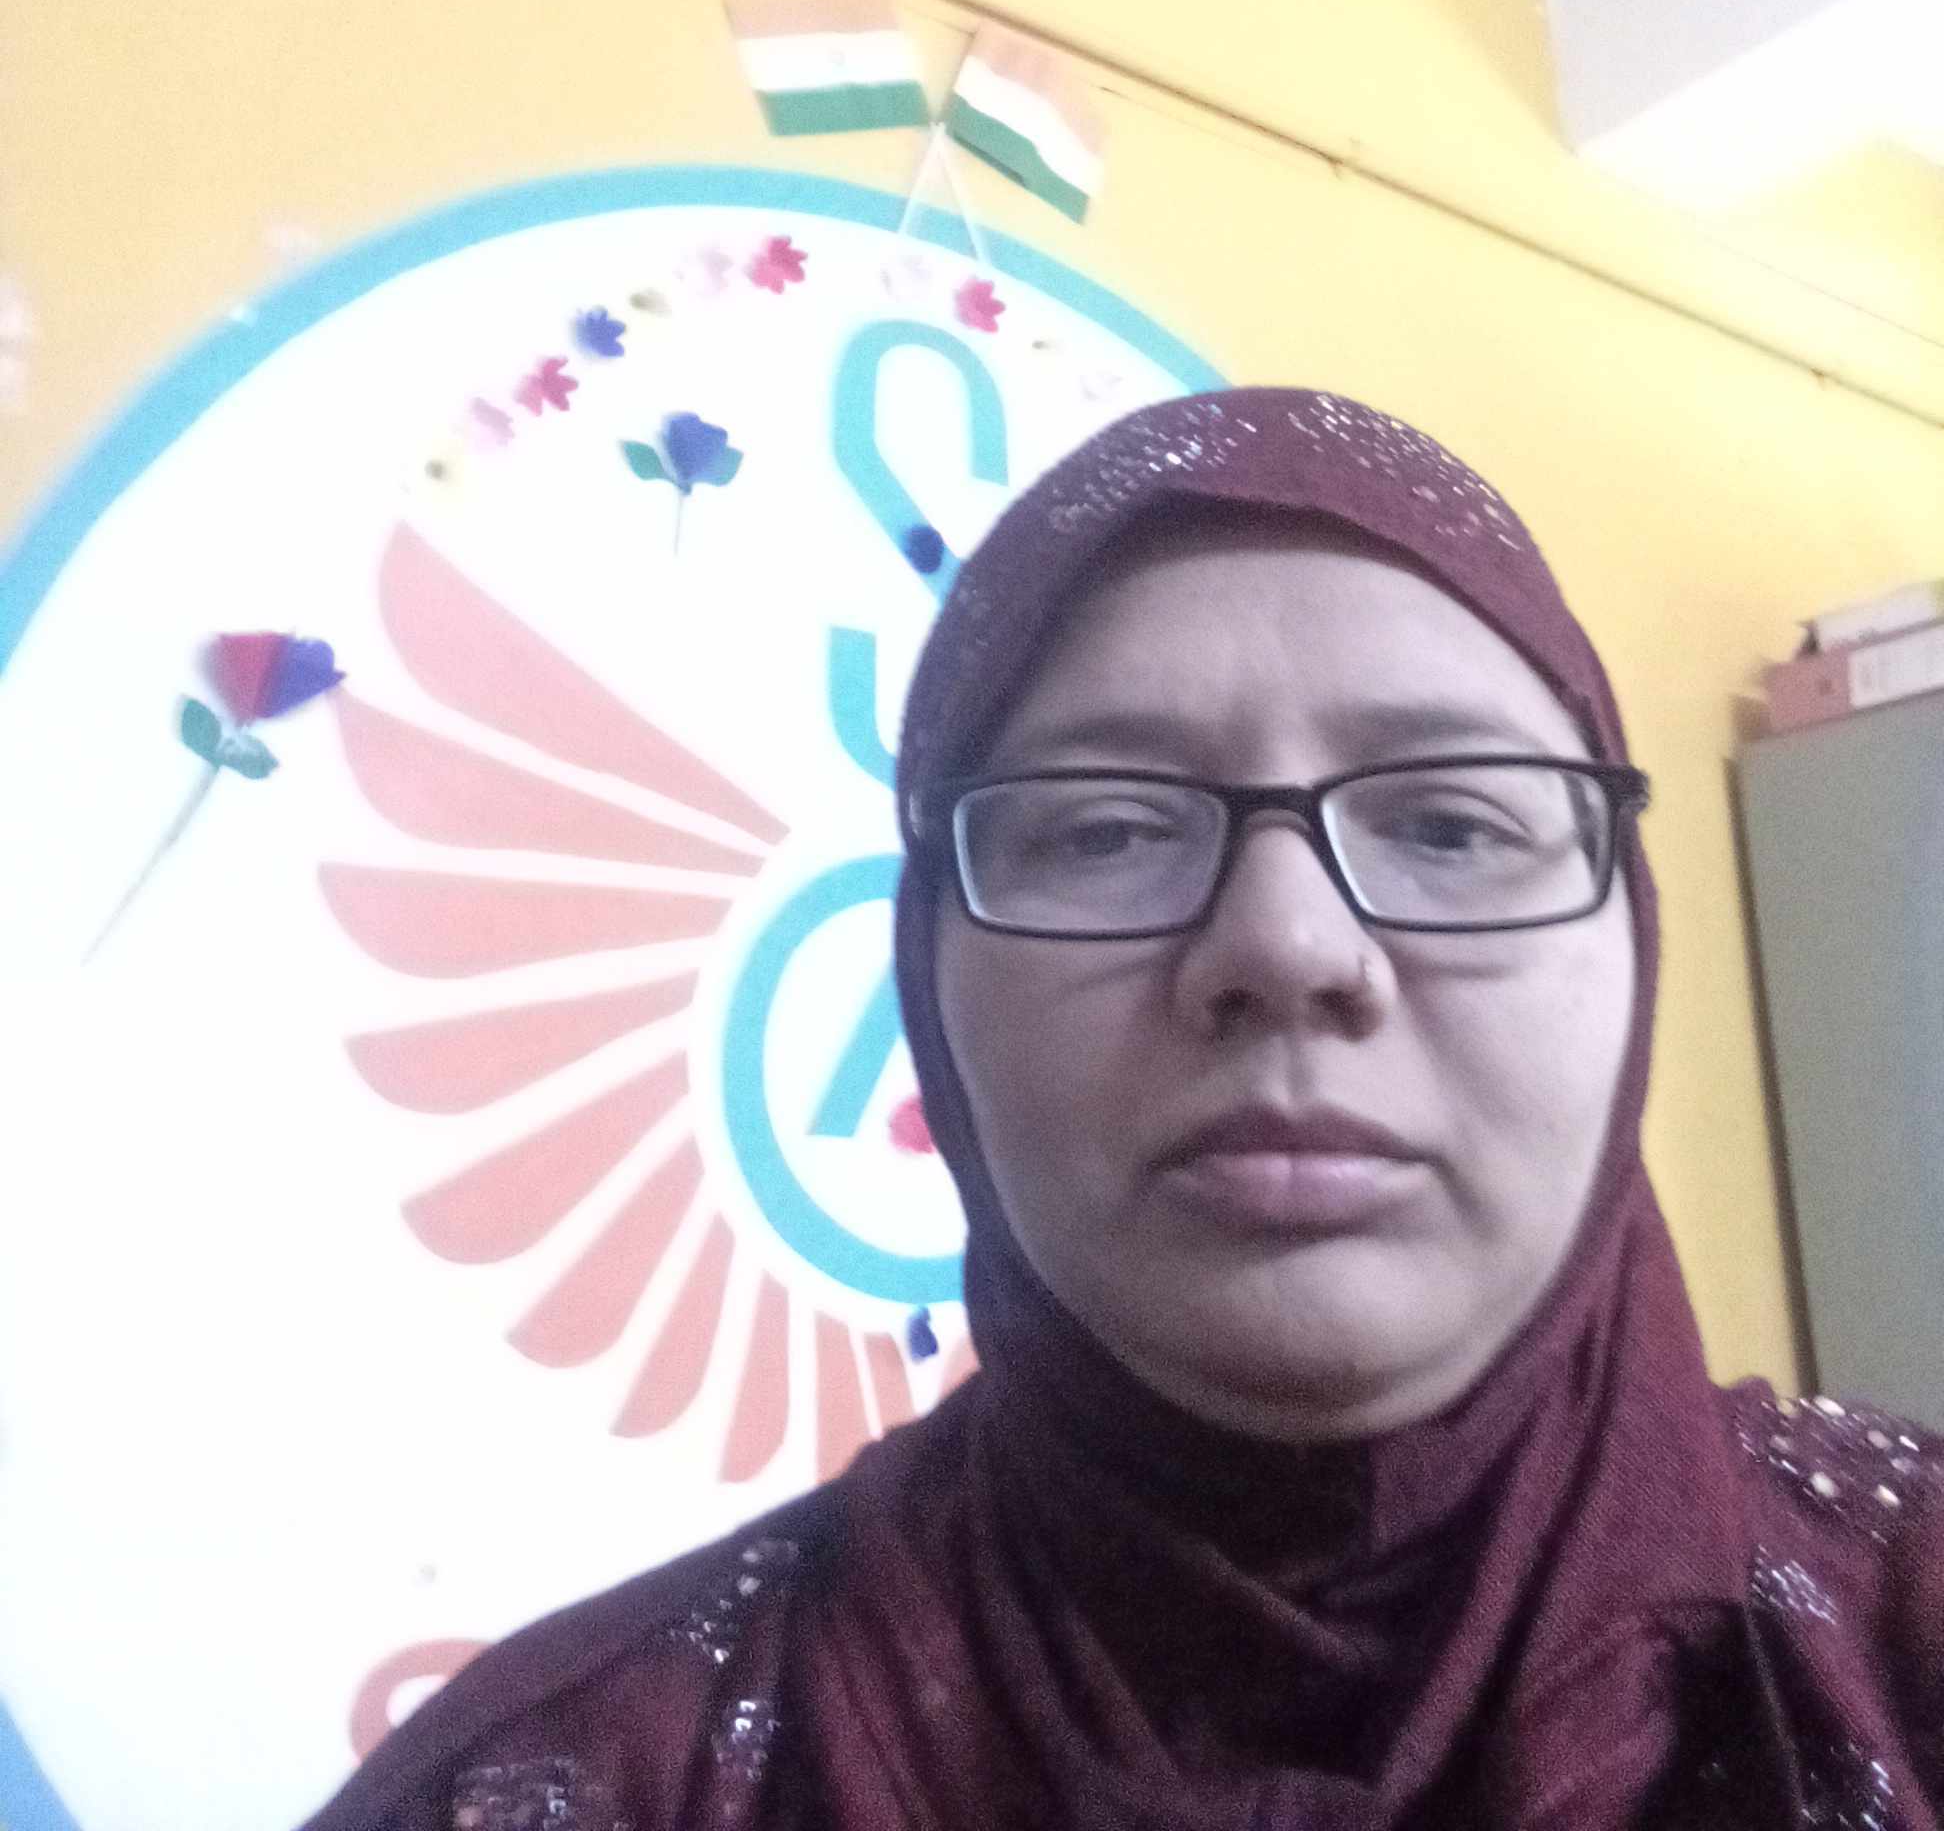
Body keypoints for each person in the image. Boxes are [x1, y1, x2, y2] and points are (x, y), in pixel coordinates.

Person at [302, 387, 1944, 1831]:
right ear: (930, 976)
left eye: (1451, 826)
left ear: (1631, 939)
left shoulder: (1906, 1629)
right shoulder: (584, 1776)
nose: (1288, 948)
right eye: (1102, 831)